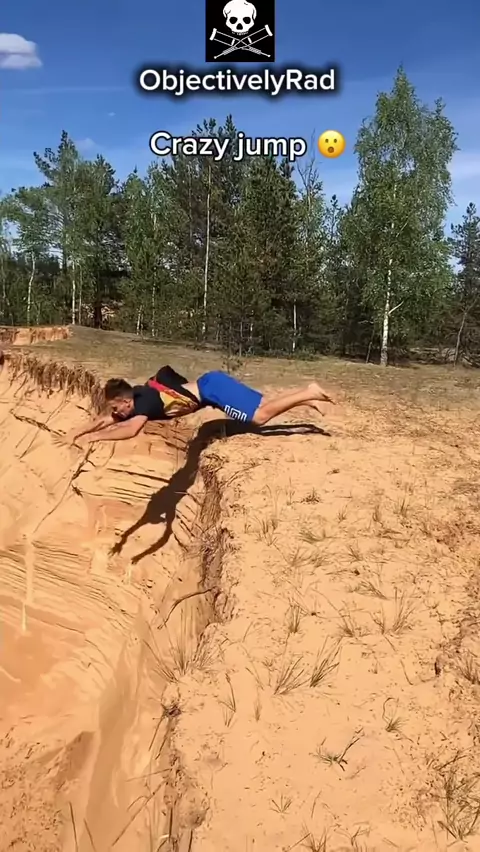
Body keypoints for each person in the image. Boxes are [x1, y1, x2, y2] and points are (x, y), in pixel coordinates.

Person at [66, 364, 336, 447]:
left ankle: (309, 391)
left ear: (126, 401)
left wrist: (96, 439)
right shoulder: (134, 397)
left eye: (117, 408)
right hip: (211, 385)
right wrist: (76, 433)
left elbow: (130, 430)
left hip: (212, 391)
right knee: (264, 405)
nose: (116, 413)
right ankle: (308, 400)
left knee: (258, 418)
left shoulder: (144, 402)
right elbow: (105, 420)